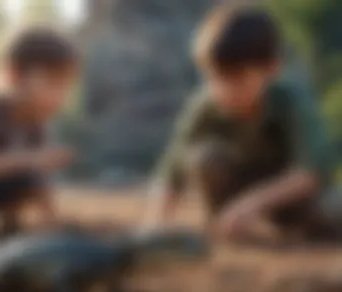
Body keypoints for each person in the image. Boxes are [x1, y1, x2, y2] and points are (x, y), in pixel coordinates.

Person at [145, 3, 339, 244]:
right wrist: (155, 228)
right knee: (204, 157)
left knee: (333, 207)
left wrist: (250, 205)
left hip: (290, 200)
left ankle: (293, 234)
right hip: (234, 200)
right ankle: (229, 226)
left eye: (237, 80)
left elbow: (310, 173)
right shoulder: (204, 105)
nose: (223, 91)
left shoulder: (291, 99)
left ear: (271, 70)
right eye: (213, 79)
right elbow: (171, 172)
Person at [0, 25, 79, 240]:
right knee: (27, 166)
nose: (60, 96)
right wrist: (25, 159)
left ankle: (7, 228)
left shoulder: (37, 125)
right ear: (14, 75)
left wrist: (54, 222)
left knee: (30, 174)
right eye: (53, 83)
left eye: (65, 86)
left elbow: (39, 183)